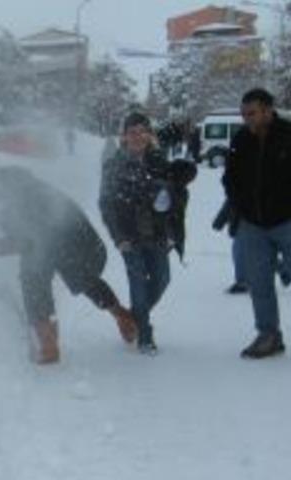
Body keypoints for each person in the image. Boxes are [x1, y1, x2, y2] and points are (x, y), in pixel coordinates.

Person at [0, 166, 137, 365]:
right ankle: (121, 315)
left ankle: (48, 344)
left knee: (34, 279)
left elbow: (37, 236)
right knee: (82, 281)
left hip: (75, 246)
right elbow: (6, 223)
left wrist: (10, 244)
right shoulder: (26, 193)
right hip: (69, 245)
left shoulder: (32, 198)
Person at [99, 112, 196, 355]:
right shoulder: (113, 165)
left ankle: (132, 317)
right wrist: (118, 237)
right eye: (133, 132)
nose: (138, 136)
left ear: (149, 135)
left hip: (157, 234)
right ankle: (145, 334)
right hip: (129, 237)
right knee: (138, 284)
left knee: (162, 279)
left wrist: (174, 225)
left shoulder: (159, 161)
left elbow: (176, 196)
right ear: (124, 136)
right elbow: (106, 204)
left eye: (143, 131)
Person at [222, 88, 291, 359]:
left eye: (252, 113)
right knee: (260, 283)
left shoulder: (290, 135)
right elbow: (230, 178)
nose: (247, 119)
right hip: (253, 225)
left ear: (268, 110)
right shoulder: (240, 140)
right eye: (244, 114)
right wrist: (241, 207)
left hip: (289, 222)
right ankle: (268, 335)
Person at [212, 199, 249, 294]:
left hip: (247, 226)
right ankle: (284, 270)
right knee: (259, 253)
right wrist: (219, 222)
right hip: (244, 226)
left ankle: (242, 282)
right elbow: (228, 205)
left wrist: (219, 222)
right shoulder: (236, 190)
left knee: (239, 253)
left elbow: (228, 205)